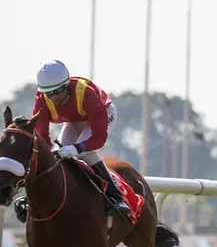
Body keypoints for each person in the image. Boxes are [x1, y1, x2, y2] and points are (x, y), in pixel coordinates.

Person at [12, 60, 129, 223]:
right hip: (74, 121)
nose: (54, 98)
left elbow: (98, 138)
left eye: (58, 91)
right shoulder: (42, 99)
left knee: (85, 154)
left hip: (102, 114)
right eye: (49, 94)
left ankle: (116, 197)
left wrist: (77, 148)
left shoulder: (87, 94)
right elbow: (42, 136)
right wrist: (50, 153)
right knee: (56, 155)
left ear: (67, 85)